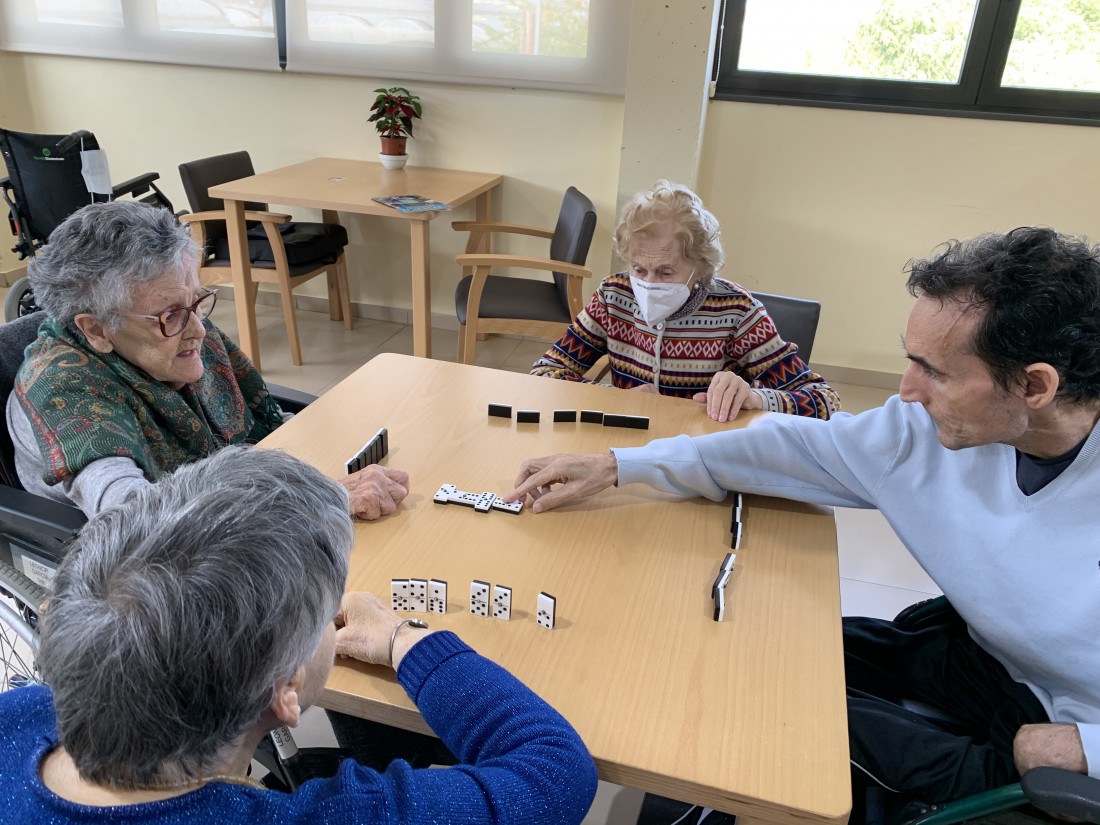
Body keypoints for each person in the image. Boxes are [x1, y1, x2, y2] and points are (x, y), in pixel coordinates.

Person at [508, 227, 1100, 823]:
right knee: (750, 655)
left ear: (1035, 385)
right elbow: (795, 448)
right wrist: (620, 465)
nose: (906, 391)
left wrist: (1089, 748)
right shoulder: (928, 431)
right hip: (986, 660)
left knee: (780, 729)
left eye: (935, 373)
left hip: (1057, 739)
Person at [0, 446, 598, 822]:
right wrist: (406, 639)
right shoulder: (339, 815)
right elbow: (555, 772)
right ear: (285, 689)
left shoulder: (16, 714)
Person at [6, 200, 408, 520]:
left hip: (238, 505)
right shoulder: (63, 388)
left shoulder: (179, 327)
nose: (198, 330)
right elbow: (135, 517)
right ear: (96, 329)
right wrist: (324, 498)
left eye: (197, 302)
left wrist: (327, 460)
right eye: (170, 315)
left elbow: (262, 430)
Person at [530, 180, 839, 422]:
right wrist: (614, 398)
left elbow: (825, 401)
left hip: (700, 453)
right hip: (625, 447)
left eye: (666, 272)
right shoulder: (614, 297)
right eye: (639, 269)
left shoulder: (738, 313)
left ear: (699, 267)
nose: (649, 284)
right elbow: (544, 372)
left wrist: (755, 398)